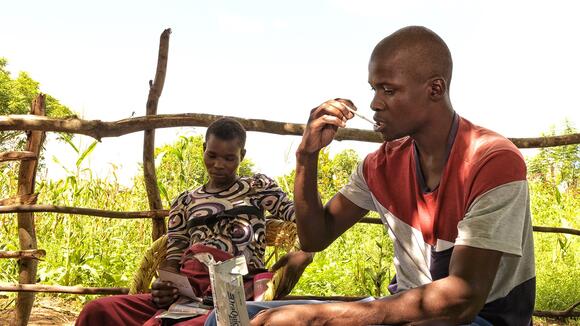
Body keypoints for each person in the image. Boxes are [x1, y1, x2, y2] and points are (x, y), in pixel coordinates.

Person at [207, 26, 536, 326]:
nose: (375, 103)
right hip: (402, 311)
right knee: (224, 320)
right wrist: (307, 156)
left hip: (480, 319)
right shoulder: (379, 166)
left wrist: (322, 317)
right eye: (374, 89)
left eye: (388, 90)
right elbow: (315, 238)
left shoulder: (492, 160)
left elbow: (462, 300)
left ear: (435, 89)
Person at [76, 117, 314, 326]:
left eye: (229, 158)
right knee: (97, 310)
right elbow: (173, 258)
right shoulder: (186, 201)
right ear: (203, 149)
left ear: (242, 156)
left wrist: (302, 253)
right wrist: (163, 286)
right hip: (187, 291)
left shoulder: (257, 188)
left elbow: (301, 218)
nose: (219, 164)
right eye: (211, 155)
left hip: (234, 291)